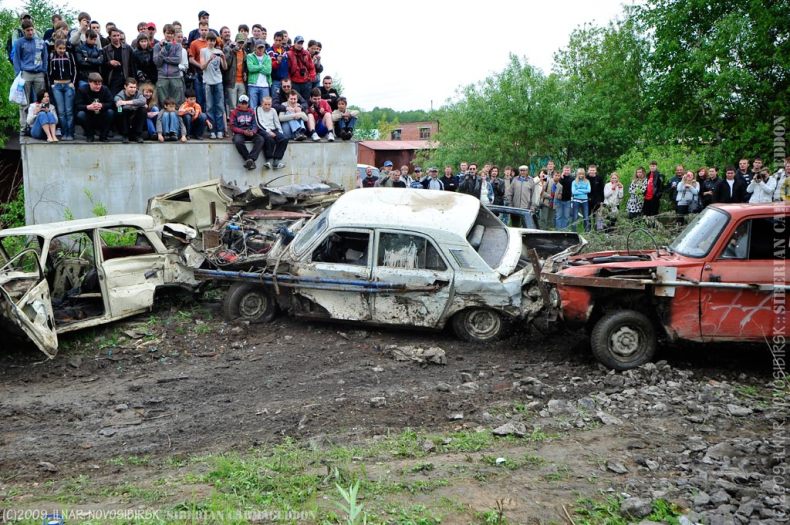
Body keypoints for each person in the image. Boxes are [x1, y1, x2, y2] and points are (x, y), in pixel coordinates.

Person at [12, 19, 48, 134]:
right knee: (23, 101)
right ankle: (24, 126)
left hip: (39, 73)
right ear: (23, 31)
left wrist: (44, 70)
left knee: (42, 100)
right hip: (25, 73)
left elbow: (45, 57)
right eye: (28, 30)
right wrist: (18, 74)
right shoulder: (19, 42)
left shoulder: (41, 42)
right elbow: (16, 58)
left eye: (32, 30)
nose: (30, 32)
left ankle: (41, 124)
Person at [47, 38, 76, 141]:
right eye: (60, 48)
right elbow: (48, 72)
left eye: (64, 48)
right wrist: (52, 85)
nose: (62, 50)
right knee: (61, 111)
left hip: (68, 85)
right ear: (55, 48)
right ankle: (64, 133)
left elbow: (74, 69)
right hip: (57, 86)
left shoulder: (69, 55)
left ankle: (71, 133)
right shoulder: (51, 56)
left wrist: (73, 82)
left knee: (69, 111)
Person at [200, 33, 226, 139]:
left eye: (213, 40)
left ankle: (220, 130)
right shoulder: (203, 51)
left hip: (218, 81)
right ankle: (212, 130)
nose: (211, 42)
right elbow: (202, 67)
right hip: (207, 82)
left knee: (219, 106)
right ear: (206, 41)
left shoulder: (219, 51)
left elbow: (224, 67)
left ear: (215, 41)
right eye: (209, 40)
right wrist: (210, 59)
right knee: (209, 107)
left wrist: (223, 58)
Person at [75, 72, 113, 141]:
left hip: (102, 114)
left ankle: (103, 136)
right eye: (95, 84)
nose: (98, 86)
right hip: (89, 114)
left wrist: (102, 105)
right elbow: (77, 105)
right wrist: (88, 107)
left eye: (100, 84)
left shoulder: (105, 89)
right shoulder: (82, 90)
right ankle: (90, 135)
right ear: (89, 82)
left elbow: (111, 103)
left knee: (111, 112)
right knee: (80, 114)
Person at [230, 94, 263, 170]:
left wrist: (253, 132)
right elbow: (233, 126)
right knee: (238, 141)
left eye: (245, 103)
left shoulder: (252, 112)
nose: (244, 105)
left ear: (248, 103)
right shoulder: (234, 112)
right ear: (239, 103)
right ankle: (248, 160)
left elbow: (255, 124)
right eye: (242, 103)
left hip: (250, 131)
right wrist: (243, 131)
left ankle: (251, 159)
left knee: (260, 139)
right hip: (239, 132)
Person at [153, 24, 184, 106]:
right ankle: (163, 118)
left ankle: (176, 117)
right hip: (162, 77)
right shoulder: (157, 46)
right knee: (163, 103)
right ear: (164, 33)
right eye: (167, 33)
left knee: (176, 102)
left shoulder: (178, 45)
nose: (169, 35)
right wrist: (163, 49)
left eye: (171, 33)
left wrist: (165, 58)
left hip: (175, 77)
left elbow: (178, 60)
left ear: (174, 34)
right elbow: (157, 62)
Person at [255, 96, 288, 169]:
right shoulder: (258, 109)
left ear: (271, 104)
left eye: (269, 104)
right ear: (262, 103)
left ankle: (276, 160)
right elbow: (259, 123)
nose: (267, 106)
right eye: (265, 104)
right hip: (263, 129)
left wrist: (280, 132)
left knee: (284, 139)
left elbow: (277, 122)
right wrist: (268, 131)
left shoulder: (273, 110)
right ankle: (268, 160)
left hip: (274, 129)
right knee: (269, 138)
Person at [113, 77, 146, 142]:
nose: (133, 89)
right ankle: (125, 135)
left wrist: (125, 102)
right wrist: (135, 105)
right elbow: (119, 106)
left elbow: (143, 101)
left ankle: (137, 135)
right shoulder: (119, 95)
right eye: (131, 87)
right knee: (120, 111)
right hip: (124, 117)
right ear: (125, 86)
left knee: (143, 110)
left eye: (134, 87)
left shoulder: (138, 93)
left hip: (135, 116)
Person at [103, 28, 133, 96]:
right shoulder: (105, 49)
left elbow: (132, 65)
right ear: (110, 37)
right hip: (113, 79)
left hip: (126, 78)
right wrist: (109, 63)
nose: (116, 38)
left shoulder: (128, 48)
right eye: (114, 36)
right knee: (114, 98)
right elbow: (102, 65)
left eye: (118, 35)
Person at [287, 35, 315, 102]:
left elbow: (311, 67)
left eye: (301, 43)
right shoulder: (289, 54)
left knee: (306, 101)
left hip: (306, 82)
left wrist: (310, 77)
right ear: (294, 43)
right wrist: (289, 81)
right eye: (298, 43)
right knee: (296, 101)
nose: (300, 45)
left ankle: (305, 112)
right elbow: (287, 69)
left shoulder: (306, 53)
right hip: (294, 82)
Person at [246, 40, 272, 111]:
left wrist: (256, 67)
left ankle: (263, 122)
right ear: (255, 47)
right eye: (259, 47)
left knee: (265, 108)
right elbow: (250, 68)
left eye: (262, 47)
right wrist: (262, 66)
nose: (260, 49)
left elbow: (268, 71)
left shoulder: (267, 57)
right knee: (252, 107)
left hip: (265, 86)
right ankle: (254, 122)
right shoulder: (250, 56)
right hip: (252, 85)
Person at [223, 33, 246, 112]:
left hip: (241, 81)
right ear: (235, 41)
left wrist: (245, 73)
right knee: (232, 105)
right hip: (232, 81)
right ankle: (232, 123)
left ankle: (240, 121)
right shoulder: (228, 49)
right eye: (239, 42)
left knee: (242, 104)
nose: (240, 44)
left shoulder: (244, 52)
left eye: (242, 42)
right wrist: (232, 51)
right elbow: (226, 64)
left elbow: (244, 66)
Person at [267, 31, 288, 100]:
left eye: (280, 40)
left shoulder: (284, 52)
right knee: (275, 100)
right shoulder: (270, 51)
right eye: (276, 40)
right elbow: (270, 66)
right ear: (273, 39)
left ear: (282, 40)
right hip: (275, 80)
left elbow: (287, 66)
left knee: (285, 100)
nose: (278, 42)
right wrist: (277, 62)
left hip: (285, 81)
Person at [586, 164, 604, 230]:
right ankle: (588, 230)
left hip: (597, 200)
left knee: (597, 216)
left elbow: (602, 190)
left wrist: (602, 201)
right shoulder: (585, 178)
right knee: (588, 216)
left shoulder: (599, 178)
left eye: (593, 170)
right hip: (587, 200)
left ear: (595, 171)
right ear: (588, 170)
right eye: (590, 170)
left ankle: (597, 230)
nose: (592, 171)